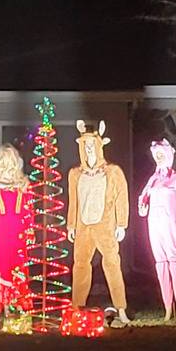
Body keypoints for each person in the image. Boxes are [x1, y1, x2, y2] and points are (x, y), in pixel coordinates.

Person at [67, 120, 130, 326]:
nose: (89, 150)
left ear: (100, 146)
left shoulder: (113, 172)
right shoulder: (75, 174)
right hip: (84, 226)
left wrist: (121, 224)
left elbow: (122, 197)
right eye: (85, 146)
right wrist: (71, 225)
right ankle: (77, 307)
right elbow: (73, 201)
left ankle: (121, 309)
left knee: (112, 263)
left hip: (105, 225)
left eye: (92, 145)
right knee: (81, 266)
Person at [137, 138, 176, 324]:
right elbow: (142, 197)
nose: (159, 158)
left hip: (171, 224)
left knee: (175, 263)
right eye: (156, 155)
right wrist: (142, 206)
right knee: (161, 264)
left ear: (168, 155)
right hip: (154, 224)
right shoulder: (153, 178)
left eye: (161, 155)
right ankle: (168, 310)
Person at [0, 144, 34, 313]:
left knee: (18, 265)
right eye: (3, 161)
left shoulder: (24, 185)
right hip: (1, 233)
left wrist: (29, 229)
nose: (7, 164)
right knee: (1, 265)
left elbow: (29, 209)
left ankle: (18, 302)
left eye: (10, 160)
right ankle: (2, 304)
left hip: (18, 233)